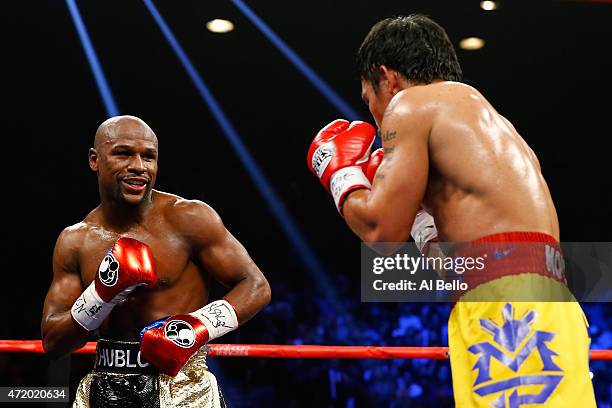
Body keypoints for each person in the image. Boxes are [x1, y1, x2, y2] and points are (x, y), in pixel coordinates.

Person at [307, 15, 596, 407]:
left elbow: (381, 234)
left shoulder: (410, 104)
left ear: (386, 77)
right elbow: (471, 262)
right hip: (534, 302)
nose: (375, 115)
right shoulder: (487, 121)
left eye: (367, 99)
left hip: (508, 310)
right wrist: (422, 221)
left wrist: (339, 172)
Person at [42, 115, 271, 407]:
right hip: (105, 383)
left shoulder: (188, 219)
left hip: (182, 387)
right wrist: (101, 294)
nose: (139, 166)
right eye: (123, 153)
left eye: (149, 157)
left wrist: (194, 327)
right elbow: (53, 342)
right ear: (94, 160)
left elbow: (256, 285)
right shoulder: (75, 240)